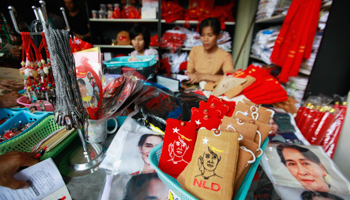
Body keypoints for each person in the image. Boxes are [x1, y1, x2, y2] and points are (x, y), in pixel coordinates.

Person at [186, 17, 234, 84]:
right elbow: (189, 73)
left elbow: (230, 77)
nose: (205, 39)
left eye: (210, 35)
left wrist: (203, 76)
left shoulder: (225, 56)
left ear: (218, 35)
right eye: (202, 35)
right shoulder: (195, 50)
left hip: (213, 89)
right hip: (195, 88)